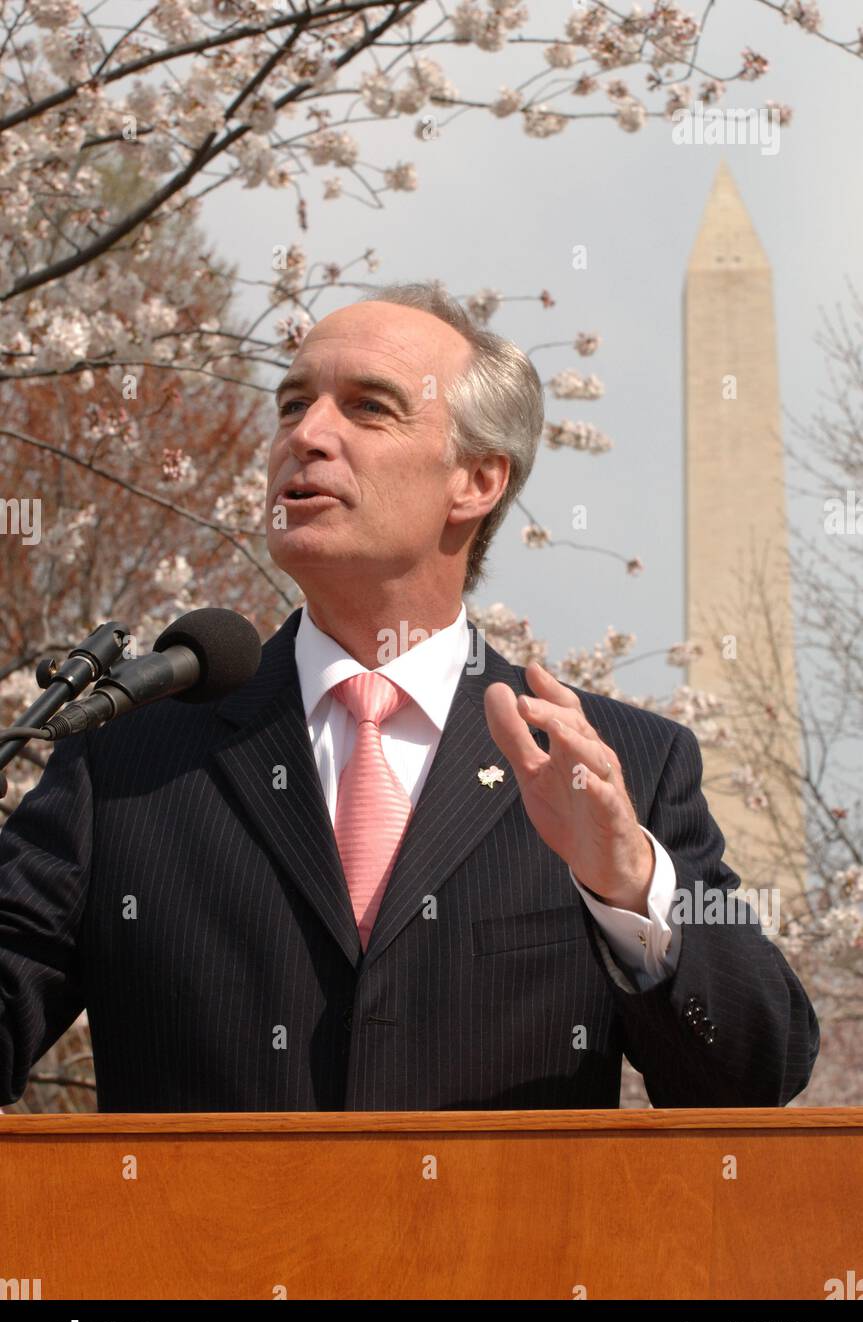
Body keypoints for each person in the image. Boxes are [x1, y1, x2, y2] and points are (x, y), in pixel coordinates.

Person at [0, 281, 818, 1112]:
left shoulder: (619, 765)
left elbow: (754, 1074)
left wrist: (627, 882)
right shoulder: (128, 752)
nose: (306, 436)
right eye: (291, 406)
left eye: (368, 408)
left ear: (476, 480)